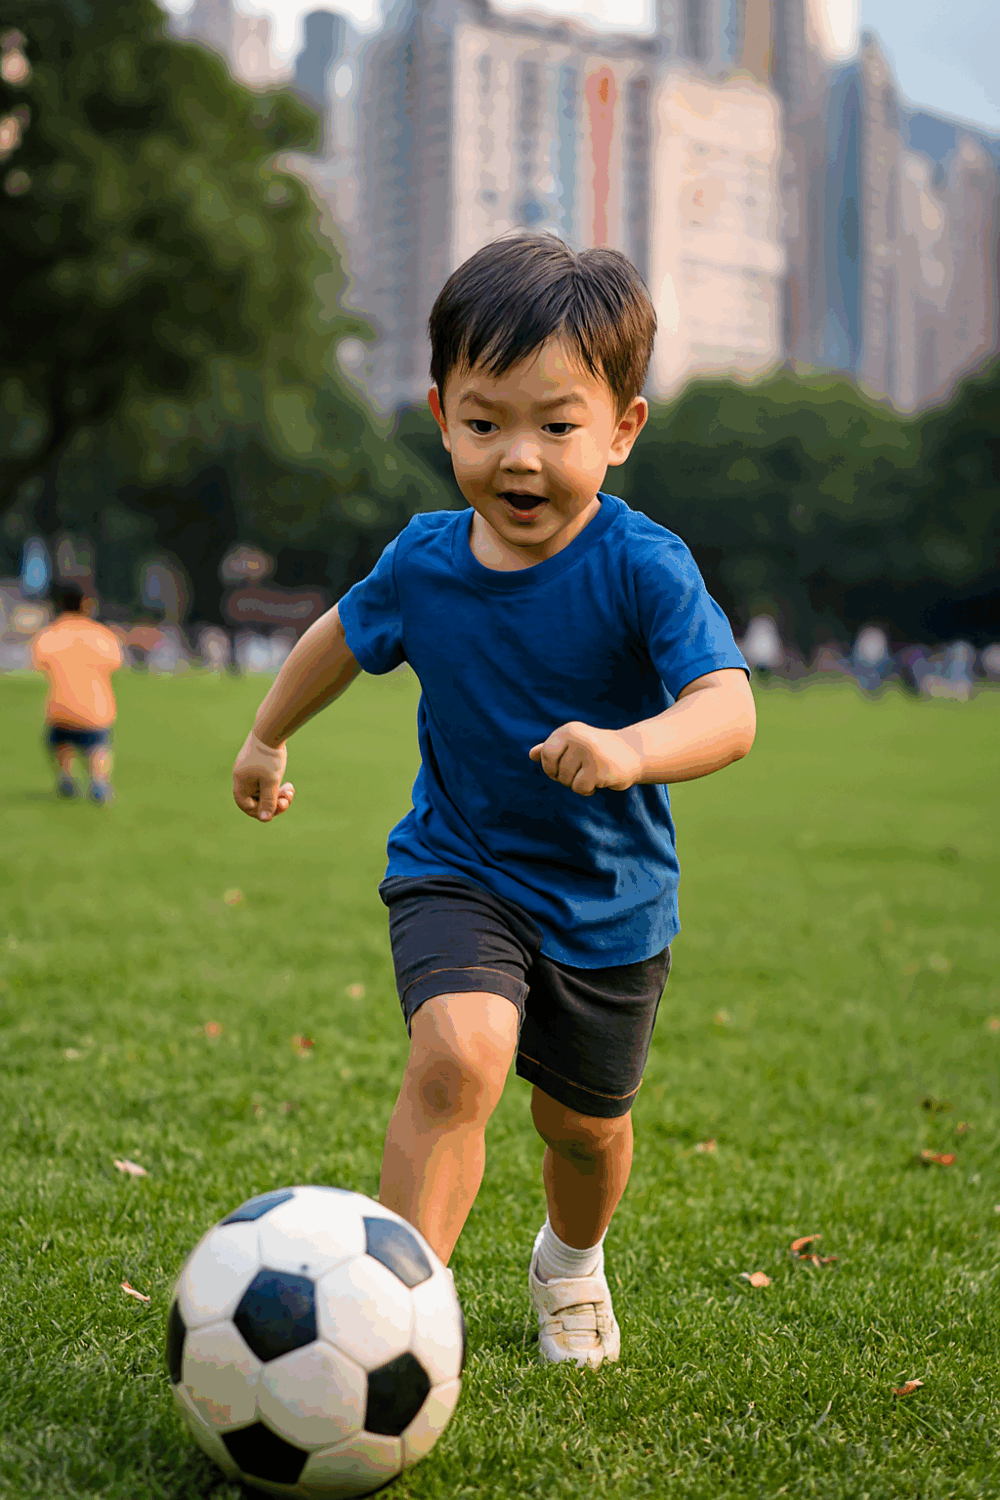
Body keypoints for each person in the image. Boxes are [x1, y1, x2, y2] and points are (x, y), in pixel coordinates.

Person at [232, 234, 756, 1369]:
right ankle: (393, 1329)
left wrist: (630, 749)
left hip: (609, 904)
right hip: (458, 865)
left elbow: (728, 708)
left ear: (622, 429)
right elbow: (340, 635)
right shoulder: (425, 561)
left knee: (585, 1130)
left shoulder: (642, 566)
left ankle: (569, 1262)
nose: (518, 458)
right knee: (459, 1057)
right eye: (484, 424)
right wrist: (268, 733)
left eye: (556, 426)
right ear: (439, 416)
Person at [32, 582, 122, 804]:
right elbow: (115, 663)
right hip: (95, 708)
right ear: (86, 604)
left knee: (60, 742)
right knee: (98, 747)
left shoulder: (50, 634)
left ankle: (67, 778)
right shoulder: (101, 634)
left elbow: (39, 661)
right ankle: (99, 782)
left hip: (60, 707)